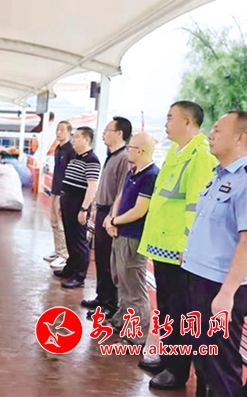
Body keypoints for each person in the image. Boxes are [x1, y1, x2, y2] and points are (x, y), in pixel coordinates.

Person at [182, 111, 247, 397]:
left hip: (220, 286)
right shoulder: (218, 177)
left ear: (239, 138)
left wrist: (227, 294)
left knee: (220, 366)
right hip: (198, 279)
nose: (210, 135)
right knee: (203, 359)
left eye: (218, 130)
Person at [137, 101, 218, 390]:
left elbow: (196, 207)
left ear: (187, 122)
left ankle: (178, 369)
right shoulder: (176, 152)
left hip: (182, 250)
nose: (166, 123)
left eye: (171, 117)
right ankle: (168, 356)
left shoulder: (201, 156)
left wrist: (188, 245)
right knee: (167, 307)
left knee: (180, 309)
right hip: (164, 245)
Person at [104, 132, 159, 346]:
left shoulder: (151, 175)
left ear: (141, 151)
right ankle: (122, 319)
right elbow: (121, 196)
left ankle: (136, 335)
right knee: (120, 279)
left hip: (133, 236)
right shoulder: (133, 170)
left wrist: (115, 221)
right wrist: (111, 219)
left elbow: (139, 210)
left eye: (131, 148)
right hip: (120, 232)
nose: (127, 150)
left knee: (134, 287)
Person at [82, 117, 131, 319]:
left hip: (111, 214)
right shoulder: (111, 155)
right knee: (101, 258)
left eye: (108, 130)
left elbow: (122, 191)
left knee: (110, 261)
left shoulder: (124, 158)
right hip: (102, 211)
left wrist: (112, 217)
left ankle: (110, 304)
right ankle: (101, 297)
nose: (104, 133)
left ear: (119, 133)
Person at [53, 127, 100, 289]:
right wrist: (62, 204)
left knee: (79, 241)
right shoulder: (75, 158)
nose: (74, 140)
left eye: (77, 137)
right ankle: (70, 268)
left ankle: (79, 276)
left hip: (78, 205)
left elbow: (92, 187)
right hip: (67, 202)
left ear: (86, 140)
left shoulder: (92, 160)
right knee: (70, 238)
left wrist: (84, 209)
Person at [43, 121, 75, 272]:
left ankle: (64, 254)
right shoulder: (58, 148)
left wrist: (66, 192)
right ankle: (57, 250)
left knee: (62, 224)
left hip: (64, 192)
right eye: (57, 130)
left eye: (62, 130)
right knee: (54, 222)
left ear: (69, 132)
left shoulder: (70, 150)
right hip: (55, 190)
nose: (59, 133)